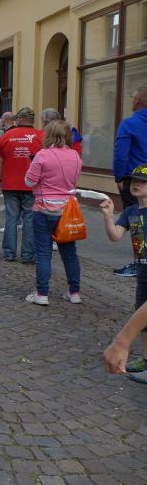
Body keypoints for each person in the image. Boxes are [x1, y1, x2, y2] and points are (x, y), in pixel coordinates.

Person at [23, 120, 82, 306]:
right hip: (67, 210)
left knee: (43, 253)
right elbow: (74, 181)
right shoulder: (75, 156)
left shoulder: (42, 155)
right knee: (70, 254)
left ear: (48, 135)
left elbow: (29, 182)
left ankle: (42, 294)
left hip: (44, 209)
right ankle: (74, 292)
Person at [100, 163, 147, 380]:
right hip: (142, 272)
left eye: (142, 182)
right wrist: (108, 216)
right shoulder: (130, 212)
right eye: (134, 180)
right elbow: (115, 236)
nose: (136, 184)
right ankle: (146, 359)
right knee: (142, 318)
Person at [0, 107, 44, 263]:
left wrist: (1, 178)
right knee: (29, 219)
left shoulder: (7, 135)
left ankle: (9, 253)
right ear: (32, 120)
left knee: (11, 219)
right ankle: (28, 255)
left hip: (10, 184)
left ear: (18, 119)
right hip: (32, 185)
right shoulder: (41, 136)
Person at [112, 86, 147, 278]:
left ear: (139, 101)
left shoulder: (129, 124)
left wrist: (119, 177)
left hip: (137, 180)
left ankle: (139, 264)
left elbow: (120, 154)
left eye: (132, 98)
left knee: (137, 222)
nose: (131, 101)